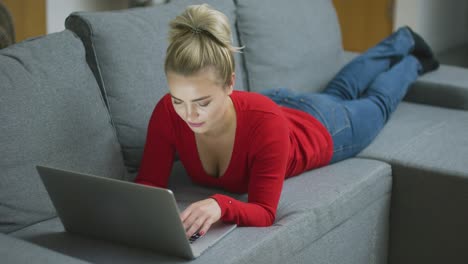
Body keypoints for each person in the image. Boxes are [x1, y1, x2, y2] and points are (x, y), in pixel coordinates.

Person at [135, 4, 439, 239]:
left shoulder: (264, 124)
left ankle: (412, 58)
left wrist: (221, 204)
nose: (189, 115)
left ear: (230, 84)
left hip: (321, 125)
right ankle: (403, 40)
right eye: (179, 101)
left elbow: (265, 212)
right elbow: (148, 187)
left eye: (203, 103)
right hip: (277, 105)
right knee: (339, 91)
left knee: (376, 104)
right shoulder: (167, 113)